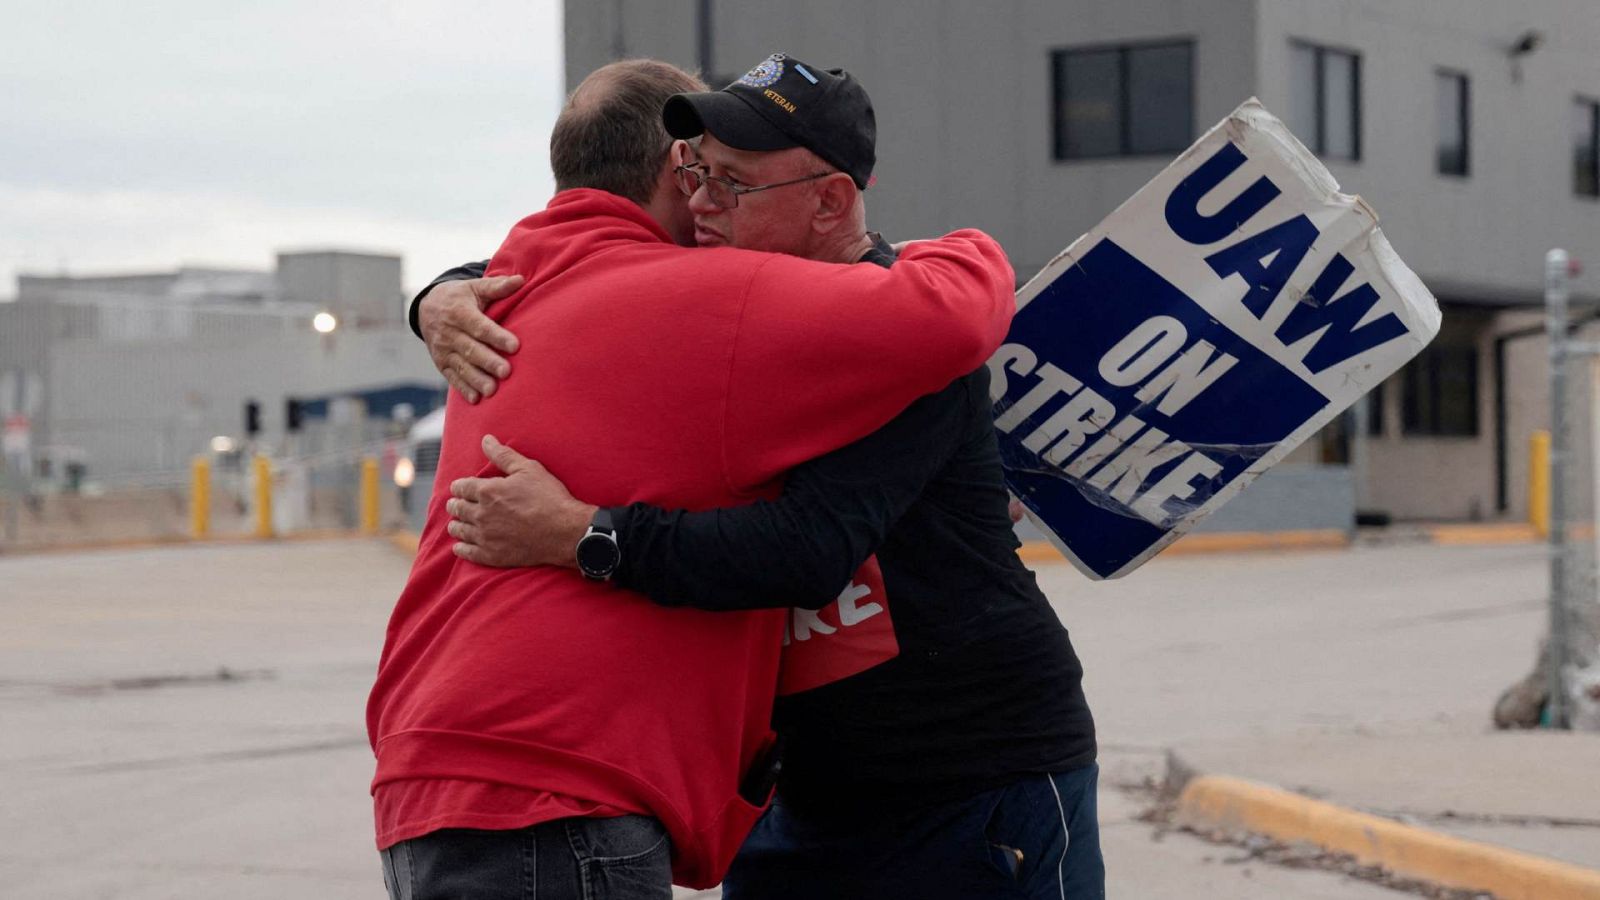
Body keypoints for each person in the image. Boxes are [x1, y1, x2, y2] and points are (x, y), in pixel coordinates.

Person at [422, 54, 1102, 899]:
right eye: (698, 174)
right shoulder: (713, 308)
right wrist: (443, 294)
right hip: (795, 795)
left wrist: (584, 536)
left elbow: (806, 547)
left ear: (828, 200)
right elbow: (574, 264)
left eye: (733, 184)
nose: (701, 202)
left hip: (966, 776)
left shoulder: (899, 331)